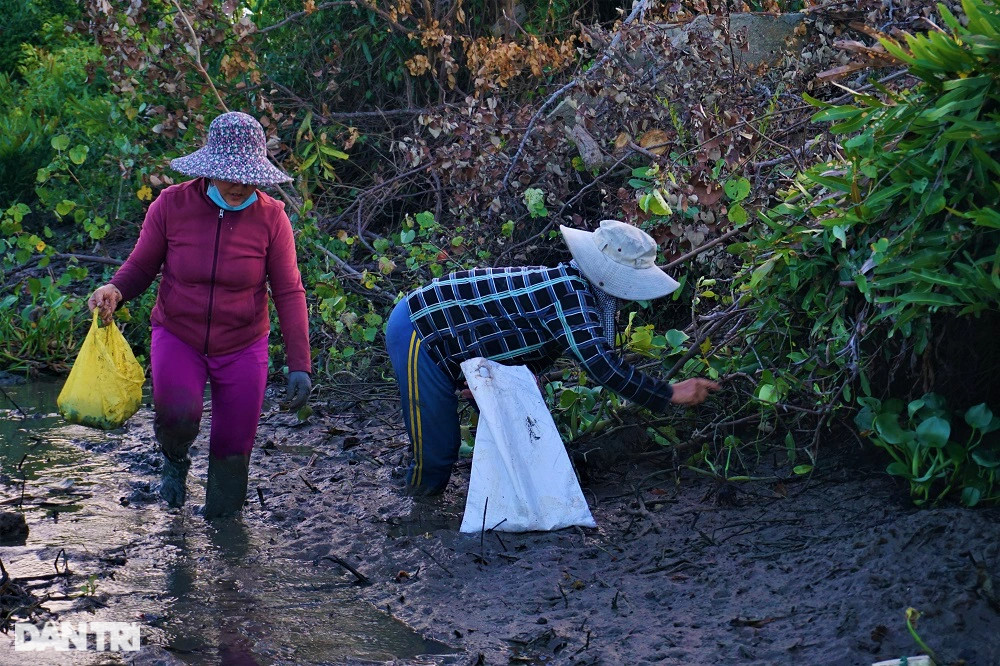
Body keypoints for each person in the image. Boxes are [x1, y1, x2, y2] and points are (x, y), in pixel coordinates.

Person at [385, 219, 720, 496]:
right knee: (438, 455)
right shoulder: (570, 294)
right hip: (419, 329)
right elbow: (601, 365)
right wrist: (669, 393)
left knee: (513, 431)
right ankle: (418, 518)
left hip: (460, 340)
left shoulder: (571, 286)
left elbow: (513, 331)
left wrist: (498, 378)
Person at [87, 111, 312, 518]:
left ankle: (225, 541)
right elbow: (141, 267)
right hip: (179, 334)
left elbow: (289, 291)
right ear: (209, 169)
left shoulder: (272, 217)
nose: (239, 184)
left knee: (233, 446)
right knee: (177, 414)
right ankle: (174, 461)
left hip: (244, 343)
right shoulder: (172, 205)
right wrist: (115, 290)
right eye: (230, 174)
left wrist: (300, 364)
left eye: (248, 176)